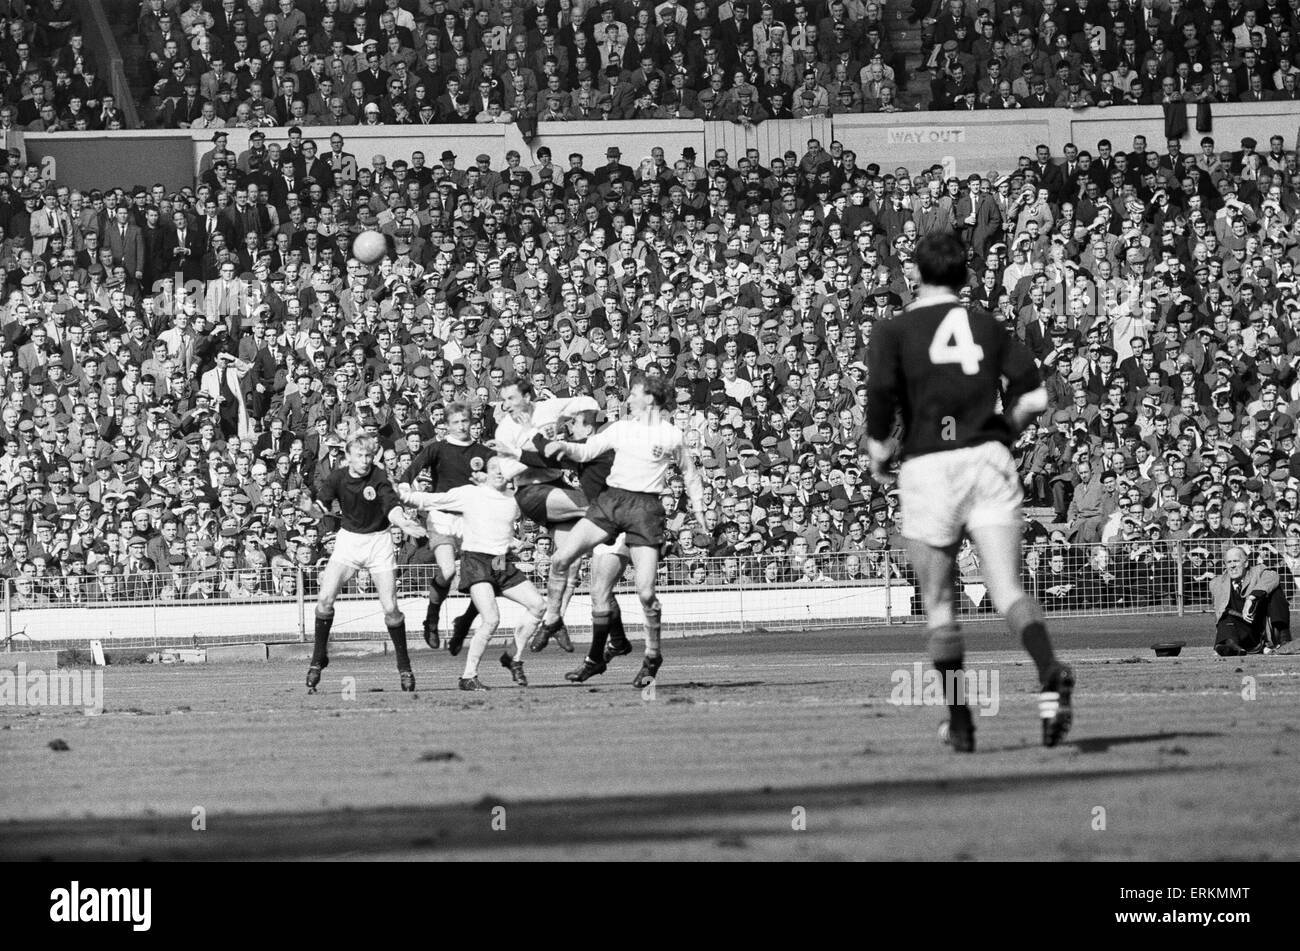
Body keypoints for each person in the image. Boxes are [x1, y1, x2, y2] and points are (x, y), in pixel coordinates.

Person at [864, 232, 1074, 752]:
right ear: (965, 276)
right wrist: (1004, 431)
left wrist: (879, 453)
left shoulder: (895, 329)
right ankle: (1049, 671)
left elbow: (880, 398)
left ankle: (961, 723)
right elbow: (1037, 395)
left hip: (930, 464)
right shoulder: (987, 325)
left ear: (915, 273)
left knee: (939, 603)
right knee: (1007, 590)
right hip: (988, 459)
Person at [538, 375, 708, 687]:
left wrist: (698, 508)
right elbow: (586, 451)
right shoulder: (620, 428)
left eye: (633, 394)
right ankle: (551, 619)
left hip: (645, 509)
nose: (628, 400)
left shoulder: (671, 435)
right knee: (561, 559)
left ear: (650, 399)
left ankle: (653, 655)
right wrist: (560, 445)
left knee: (646, 593)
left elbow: (690, 472)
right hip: (611, 501)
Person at [494, 404, 634, 681]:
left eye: (575, 425)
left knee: (603, 592)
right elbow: (549, 460)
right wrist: (515, 453)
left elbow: (552, 455)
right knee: (598, 590)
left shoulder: (595, 450)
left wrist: (527, 431)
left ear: (588, 428)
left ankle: (600, 655)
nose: (569, 429)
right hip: (606, 526)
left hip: (622, 523)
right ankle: (614, 643)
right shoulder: (587, 450)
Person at [400, 456, 542, 689]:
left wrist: (512, 541)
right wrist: (403, 494)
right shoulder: (470, 493)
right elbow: (433, 499)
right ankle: (468, 676)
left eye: (501, 468)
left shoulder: (513, 498)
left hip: (500, 562)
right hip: (476, 561)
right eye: (492, 468)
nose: (498, 472)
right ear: (484, 473)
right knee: (492, 619)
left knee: (539, 605)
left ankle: (513, 658)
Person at [306, 432, 428, 693]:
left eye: (368, 455)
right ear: (348, 456)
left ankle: (404, 666)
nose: (364, 460)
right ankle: (318, 659)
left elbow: (390, 505)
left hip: (378, 542)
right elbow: (319, 508)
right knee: (325, 600)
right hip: (349, 542)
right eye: (359, 455)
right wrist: (309, 508)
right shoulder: (337, 477)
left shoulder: (379, 476)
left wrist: (403, 521)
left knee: (390, 607)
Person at [491, 378, 595, 652]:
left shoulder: (549, 408)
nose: (507, 405)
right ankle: (630, 535)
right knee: (597, 508)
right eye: (504, 399)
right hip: (532, 494)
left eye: (512, 398)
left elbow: (589, 403)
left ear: (529, 396)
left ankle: (553, 619)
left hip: (558, 487)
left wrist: (571, 426)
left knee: (568, 560)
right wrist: (538, 450)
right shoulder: (506, 428)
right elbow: (508, 471)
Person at [397, 401, 492, 650]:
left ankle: (465, 621)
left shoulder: (482, 452)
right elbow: (412, 469)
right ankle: (432, 617)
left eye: (465, 421)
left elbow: (501, 479)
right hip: (441, 517)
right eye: (456, 422)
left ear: (472, 423)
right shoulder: (437, 449)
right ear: (447, 425)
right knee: (448, 571)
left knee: (487, 577)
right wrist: (405, 485)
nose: (461, 426)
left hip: (472, 522)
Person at [1208, 546, 1291, 656]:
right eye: (1229, 562)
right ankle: (1229, 646)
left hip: (1260, 627)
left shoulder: (1258, 571)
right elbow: (1219, 612)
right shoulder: (1216, 583)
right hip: (1236, 627)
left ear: (1246, 563)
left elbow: (1274, 577)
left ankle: (1283, 638)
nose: (1232, 565)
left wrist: (1252, 597)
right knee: (1225, 617)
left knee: (1275, 591)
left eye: (1236, 561)